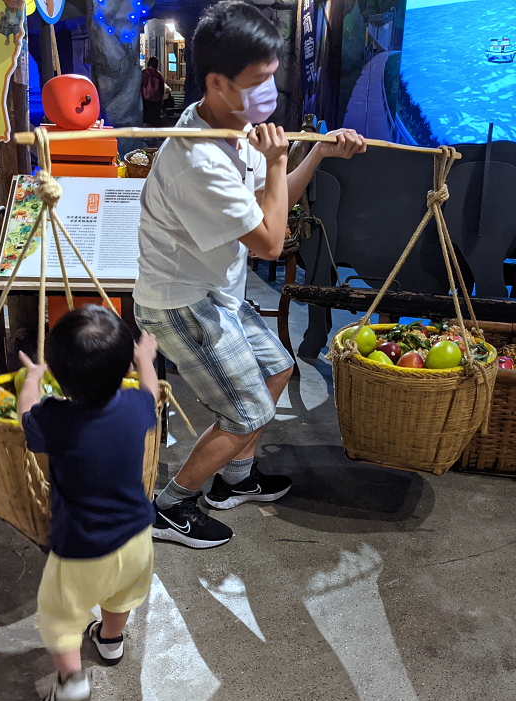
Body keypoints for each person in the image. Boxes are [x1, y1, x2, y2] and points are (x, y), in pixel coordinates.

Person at [133, 0, 365, 549]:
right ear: (217, 82)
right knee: (246, 411)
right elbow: (269, 240)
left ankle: (234, 481)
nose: (270, 92)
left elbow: (273, 198)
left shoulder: (235, 126)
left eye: (272, 78)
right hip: (180, 301)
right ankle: (171, 507)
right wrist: (284, 162)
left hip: (215, 291)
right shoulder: (198, 160)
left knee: (278, 369)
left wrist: (319, 154)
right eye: (259, 80)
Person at [18, 306, 159, 701]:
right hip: (136, 538)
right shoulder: (137, 406)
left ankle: (72, 678)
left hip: (81, 544)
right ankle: (110, 642)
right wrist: (145, 359)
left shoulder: (55, 418)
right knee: (121, 596)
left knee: (59, 615)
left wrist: (32, 379)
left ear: (59, 377)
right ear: (123, 368)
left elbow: (26, 414)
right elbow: (149, 388)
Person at [141, 56, 165, 127]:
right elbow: (162, 89)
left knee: (146, 118)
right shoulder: (159, 75)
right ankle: (155, 136)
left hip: (145, 100)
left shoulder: (144, 73)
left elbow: (140, 86)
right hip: (156, 101)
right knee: (154, 119)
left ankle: (146, 135)